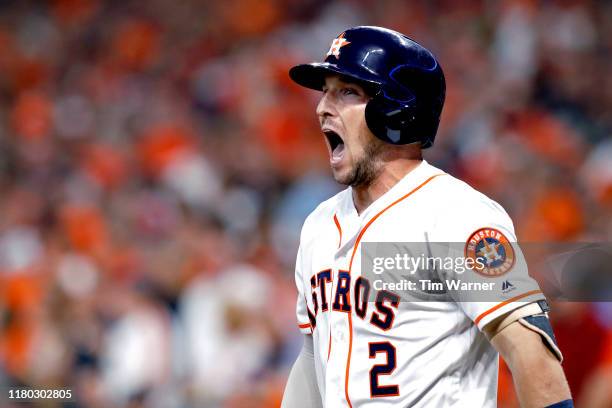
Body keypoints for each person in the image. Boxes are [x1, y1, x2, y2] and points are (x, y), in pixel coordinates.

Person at [281, 26, 572, 407]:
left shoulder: (456, 216)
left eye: (347, 91)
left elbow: (529, 352)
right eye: (325, 91)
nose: (322, 107)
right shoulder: (319, 225)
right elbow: (312, 358)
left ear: (396, 110)